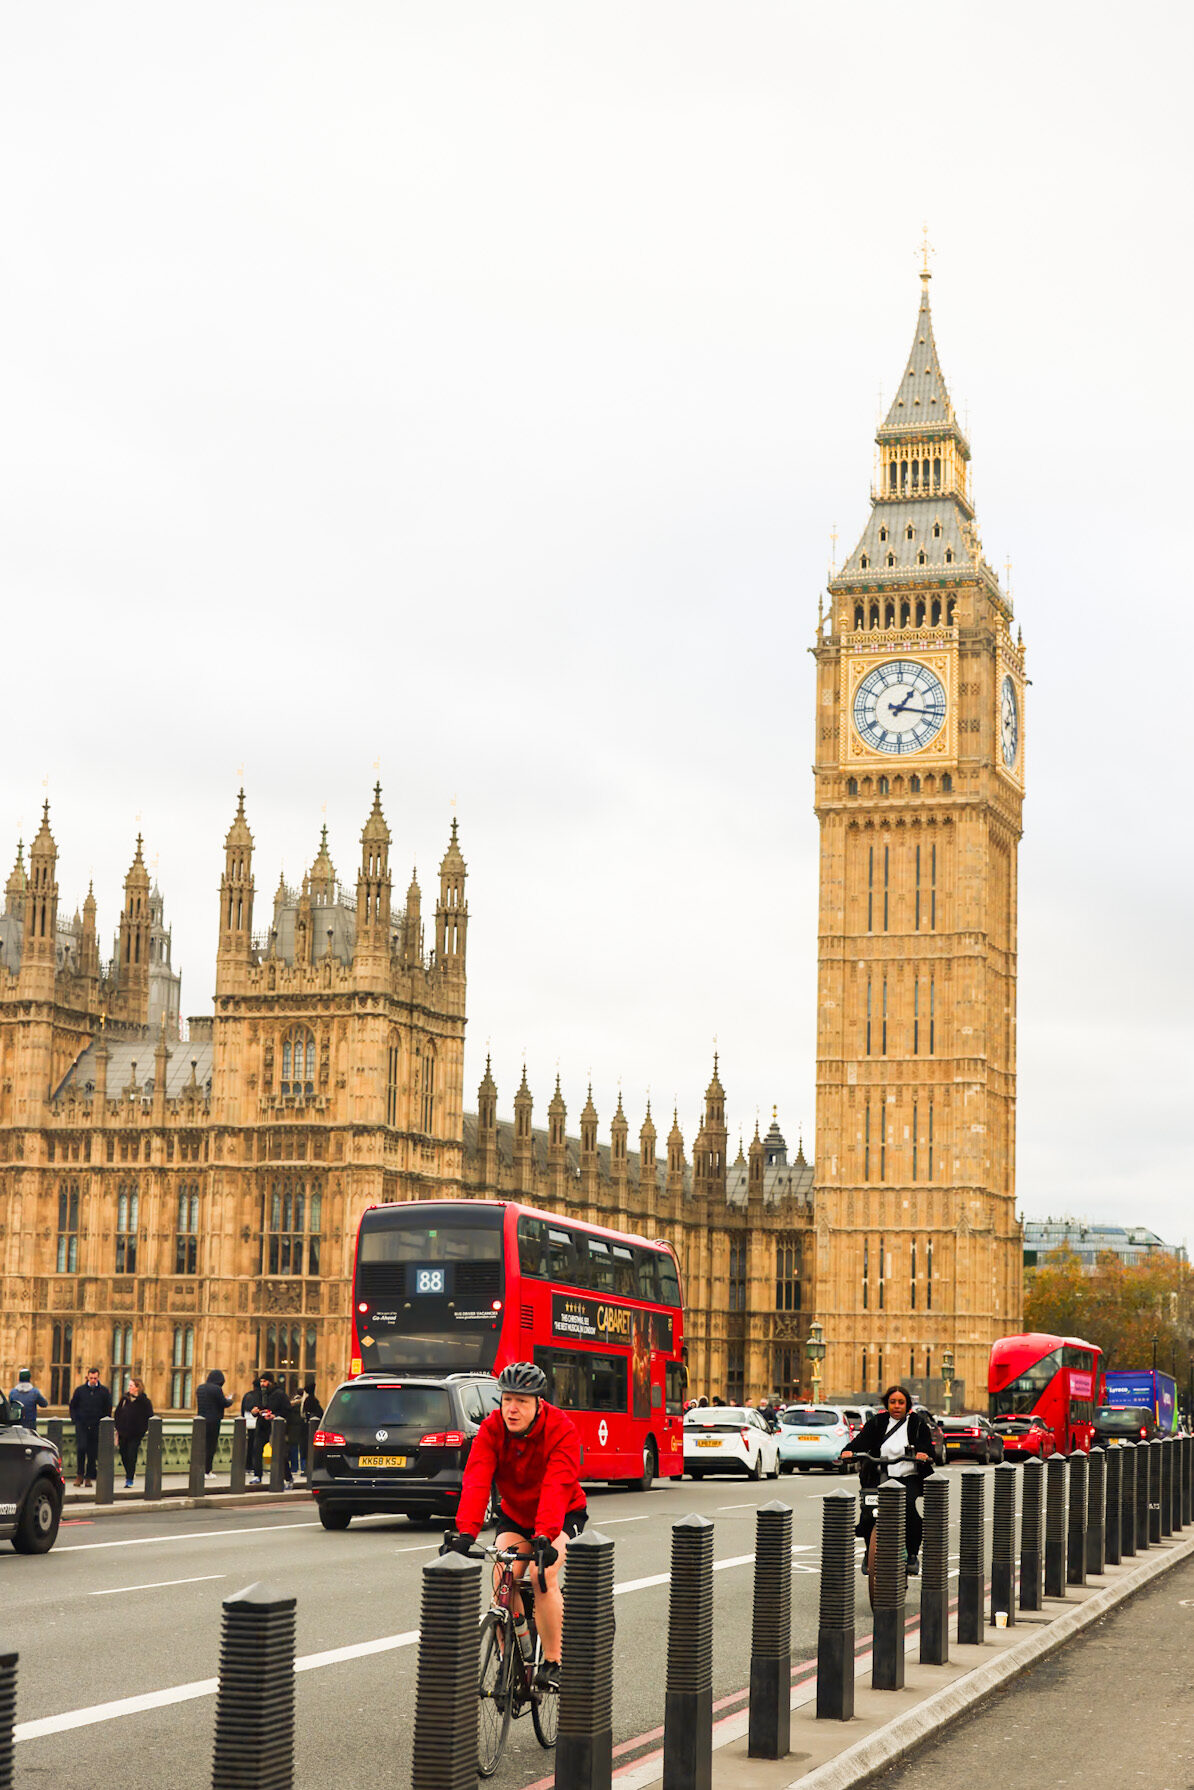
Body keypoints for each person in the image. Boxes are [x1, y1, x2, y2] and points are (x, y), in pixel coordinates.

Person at [440, 1361, 586, 1692]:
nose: (512, 1409)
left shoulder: (560, 1428)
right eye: (507, 1400)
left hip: (561, 1514)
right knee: (503, 1576)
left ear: (538, 1403)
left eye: (521, 1401)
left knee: (541, 1575)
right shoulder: (492, 1429)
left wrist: (546, 1536)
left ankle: (552, 1662)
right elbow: (477, 1479)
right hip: (516, 1514)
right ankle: (511, 1660)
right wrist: (466, 1533)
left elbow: (557, 1485)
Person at [840, 1384, 935, 1576]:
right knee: (868, 1511)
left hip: (908, 1477)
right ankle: (870, 1552)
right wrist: (848, 1451)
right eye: (893, 1402)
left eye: (901, 1402)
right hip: (880, 1476)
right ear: (887, 1404)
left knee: (909, 1509)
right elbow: (862, 1441)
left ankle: (912, 1556)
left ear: (907, 1404)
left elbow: (926, 1445)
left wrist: (923, 1453)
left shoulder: (917, 1424)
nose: (897, 1406)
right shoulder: (878, 1422)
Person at [69, 1367, 113, 1488]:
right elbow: (73, 1406)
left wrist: (103, 1423)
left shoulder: (104, 1392)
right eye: (91, 1378)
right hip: (82, 1425)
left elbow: (108, 1409)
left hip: (96, 1425)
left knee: (92, 1452)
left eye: (95, 1378)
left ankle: (88, 1477)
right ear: (87, 1377)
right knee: (81, 1449)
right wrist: (75, 1419)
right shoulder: (80, 1391)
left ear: (98, 1378)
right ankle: (79, 1475)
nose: (93, 1380)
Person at [250, 1372, 294, 1485]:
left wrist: (274, 1415)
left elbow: (288, 1410)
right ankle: (257, 1475)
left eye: (264, 1381)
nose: (262, 1384)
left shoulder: (279, 1394)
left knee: (280, 1453)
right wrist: (254, 1411)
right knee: (256, 1450)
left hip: (275, 1427)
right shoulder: (259, 1394)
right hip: (261, 1426)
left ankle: (288, 1478)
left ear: (270, 1382)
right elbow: (255, 1407)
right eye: (261, 1381)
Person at [113, 1378, 153, 1487]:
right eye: (129, 1385)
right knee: (123, 1454)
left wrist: (142, 1430)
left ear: (137, 1387)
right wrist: (118, 1426)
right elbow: (117, 1413)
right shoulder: (124, 1399)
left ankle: (129, 1479)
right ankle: (129, 1472)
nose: (129, 1387)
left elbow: (150, 1417)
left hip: (136, 1434)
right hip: (123, 1432)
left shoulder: (145, 1402)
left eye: (131, 1385)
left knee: (131, 1455)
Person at [197, 1369, 233, 1475]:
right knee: (210, 1446)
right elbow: (223, 1403)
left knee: (201, 1447)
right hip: (213, 1421)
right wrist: (230, 1400)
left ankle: (198, 1469)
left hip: (200, 1421)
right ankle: (207, 1470)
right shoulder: (216, 1389)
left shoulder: (200, 1388)